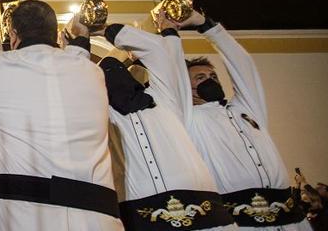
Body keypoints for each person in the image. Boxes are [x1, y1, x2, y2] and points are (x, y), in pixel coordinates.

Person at [0, 0, 123, 229]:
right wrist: (79, 34)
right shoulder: (91, 72)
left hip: (25, 217)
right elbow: (75, 57)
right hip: (97, 219)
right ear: (55, 33)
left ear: (14, 34)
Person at [77, 16, 236, 230]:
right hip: (141, 214)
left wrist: (108, 31)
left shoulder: (165, 97)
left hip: (204, 213)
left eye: (119, 73)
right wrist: (79, 44)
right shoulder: (103, 116)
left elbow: (160, 52)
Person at [159, 8, 310, 230]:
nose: (209, 80)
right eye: (199, 77)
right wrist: (170, 35)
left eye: (212, 76)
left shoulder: (246, 109)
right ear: (186, 86)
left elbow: (242, 64)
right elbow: (172, 77)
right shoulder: (188, 119)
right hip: (239, 223)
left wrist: (205, 25)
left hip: (291, 221)